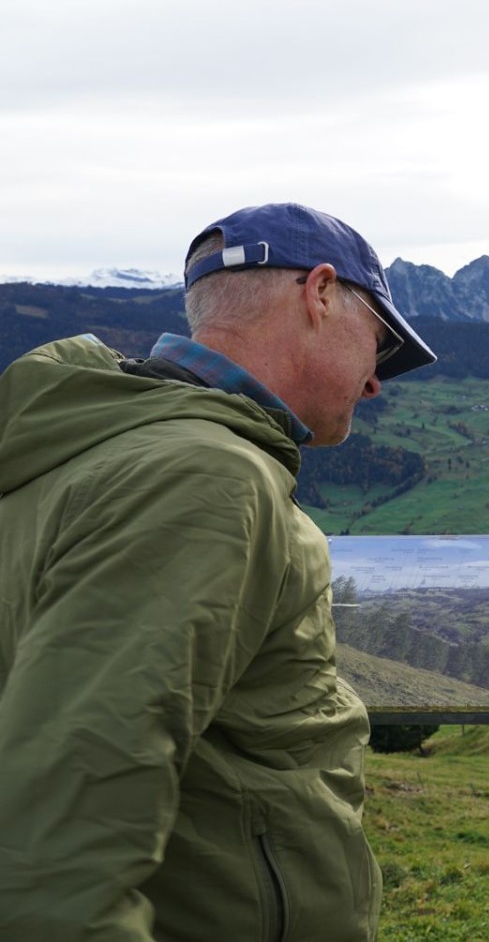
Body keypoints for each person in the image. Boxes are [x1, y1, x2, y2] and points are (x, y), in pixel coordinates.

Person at [0, 203, 436, 940]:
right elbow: (78, 788)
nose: (375, 384)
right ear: (320, 293)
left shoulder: (94, 444)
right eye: (380, 343)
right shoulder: (205, 477)